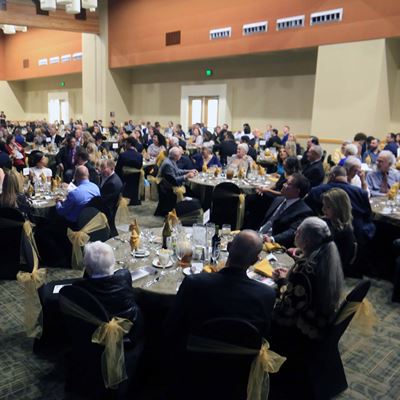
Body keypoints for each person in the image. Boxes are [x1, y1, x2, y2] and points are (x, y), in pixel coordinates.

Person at [270, 217, 344, 397]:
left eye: (299, 231)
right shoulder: (326, 256)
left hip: (301, 332)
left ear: (308, 240)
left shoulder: (304, 269)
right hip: (319, 320)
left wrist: (278, 287)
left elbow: (286, 311)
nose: (296, 233)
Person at [165, 230, 276, 341]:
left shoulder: (194, 283)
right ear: (255, 260)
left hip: (197, 354)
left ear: (228, 247)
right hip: (242, 356)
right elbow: (263, 334)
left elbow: (172, 323)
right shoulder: (267, 295)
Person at [72, 241, 143, 342]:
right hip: (128, 332)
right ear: (113, 262)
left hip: (93, 334)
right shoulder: (124, 277)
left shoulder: (79, 287)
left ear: (87, 267)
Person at [306, 166, 375, 244]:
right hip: (358, 235)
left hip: (326, 235)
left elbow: (308, 213)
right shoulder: (361, 192)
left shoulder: (316, 191)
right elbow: (368, 216)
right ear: (346, 177)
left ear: (332, 176)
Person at [259, 173, 313, 247]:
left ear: (297, 191)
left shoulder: (304, 211)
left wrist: (272, 239)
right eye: (285, 182)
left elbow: (292, 231)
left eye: (288, 184)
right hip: (259, 234)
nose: (284, 185)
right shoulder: (278, 199)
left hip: (274, 244)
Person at [321, 189, 357, 275]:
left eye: (328, 207)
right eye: (323, 205)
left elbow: (335, 261)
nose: (323, 209)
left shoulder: (343, 232)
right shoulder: (327, 221)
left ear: (339, 208)